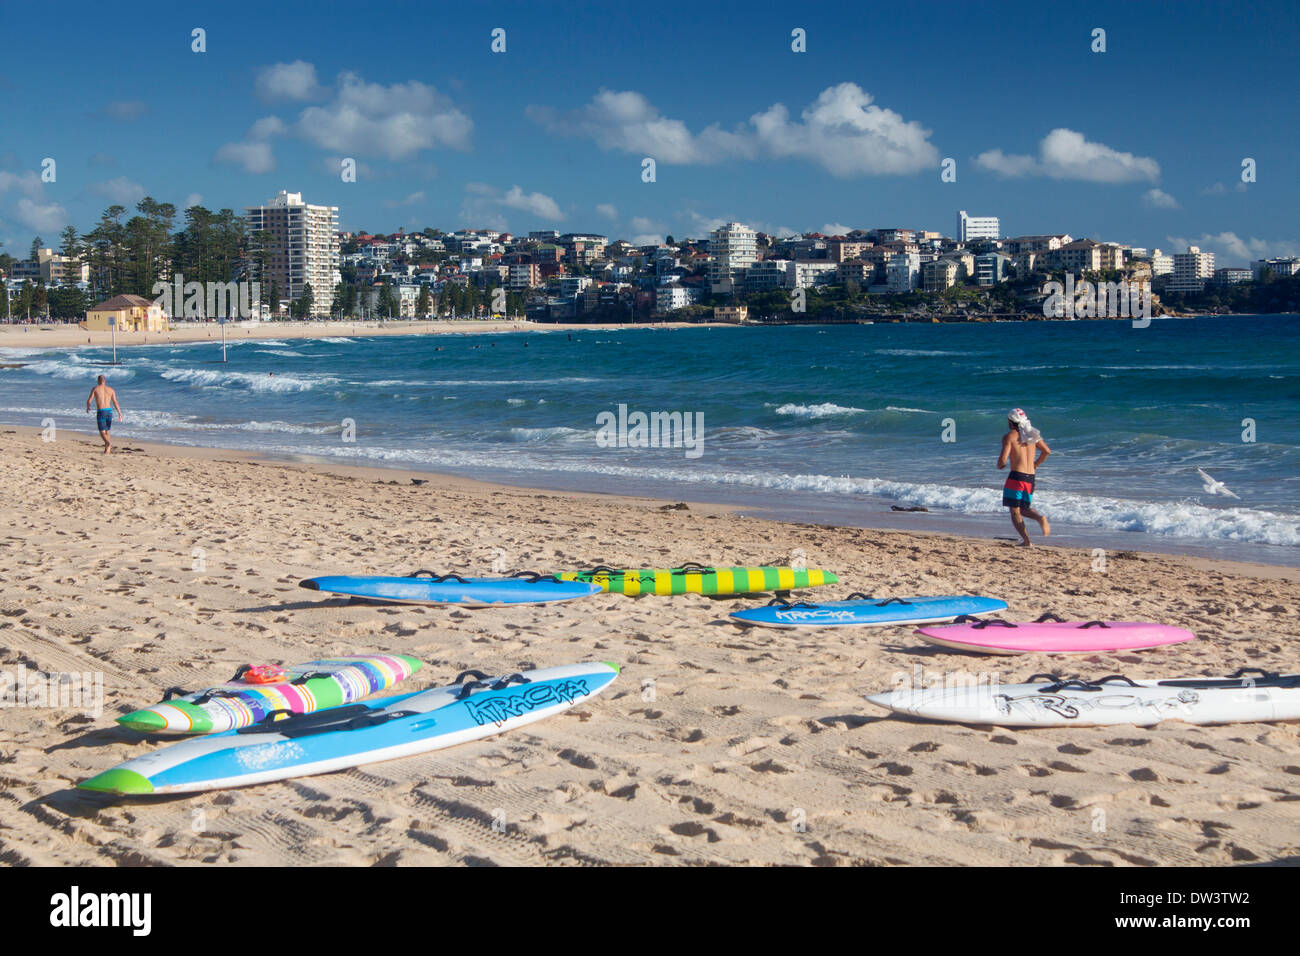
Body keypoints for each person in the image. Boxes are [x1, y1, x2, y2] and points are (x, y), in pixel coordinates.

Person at [998, 407, 1051, 546]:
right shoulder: (1032, 435)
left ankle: (1027, 541)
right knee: (1024, 509)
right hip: (1030, 477)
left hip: (1016, 477)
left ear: (1011, 422)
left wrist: (1000, 465)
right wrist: (1036, 464)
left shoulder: (1009, 437)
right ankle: (1039, 518)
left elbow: (1003, 461)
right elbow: (1046, 451)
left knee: (1015, 511)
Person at [86, 375, 124, 455]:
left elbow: (89, 400)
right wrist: (119, 413)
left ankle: (107, 442)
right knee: (107, 430)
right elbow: (115, 402)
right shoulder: (111, 390)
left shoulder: (95, 389)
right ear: (105, 381)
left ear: (98, 381)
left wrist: (88, 407)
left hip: (101, 411)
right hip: (109, 411)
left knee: (101, 431)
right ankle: (107, 450)